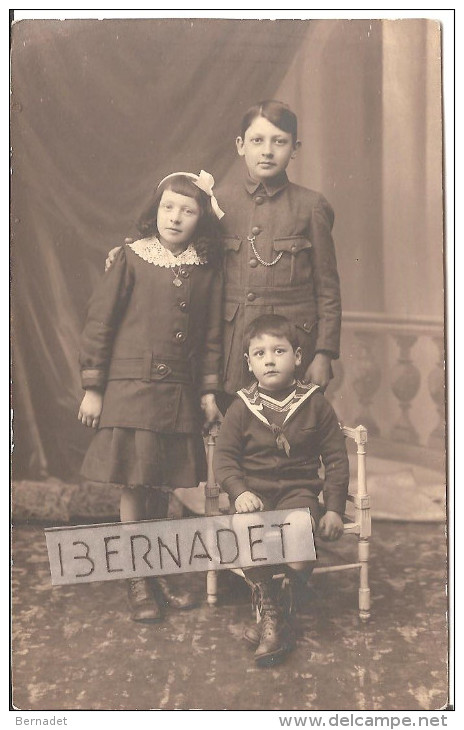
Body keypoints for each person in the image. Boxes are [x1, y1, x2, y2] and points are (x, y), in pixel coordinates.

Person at [106, 100, 342, 407]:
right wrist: (126, 255)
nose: (267, 151)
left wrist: (324, 354)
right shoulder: (216, 202)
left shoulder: (311, 206)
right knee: (231, 439)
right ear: (241, 145)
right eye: (257, 141)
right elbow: (174, 244)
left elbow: (328, 291)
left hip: (292, 350)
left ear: (294, 148)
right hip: (232, 349)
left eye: (279, 142)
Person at [78, 171, 223, 623]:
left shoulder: (205, 268)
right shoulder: (130, 258)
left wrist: (208, 392)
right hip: (130, 389)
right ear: (155, 210)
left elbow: (213, 336)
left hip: (178, 391)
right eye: (168, 207)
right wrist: (92, 388)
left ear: (201, 219)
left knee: (162, 482)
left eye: (188, 210)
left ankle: (155, 572)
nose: (175, 218)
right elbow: (100, 323)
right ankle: (135, 579)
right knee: (135, 481)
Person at [213, 314, 349, 667]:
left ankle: (281, 606)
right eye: (259, 354)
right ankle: (272, 614)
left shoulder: (314, 403)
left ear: (298, 357)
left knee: (300, 538)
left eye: (279, 350)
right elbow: (225, 459)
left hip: (297, 495)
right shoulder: (242, 407)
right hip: (255, 496)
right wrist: (239, 490)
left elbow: (336, 459)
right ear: (249, 363)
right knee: (245, 526)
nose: (269, 359)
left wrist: (333, 507)